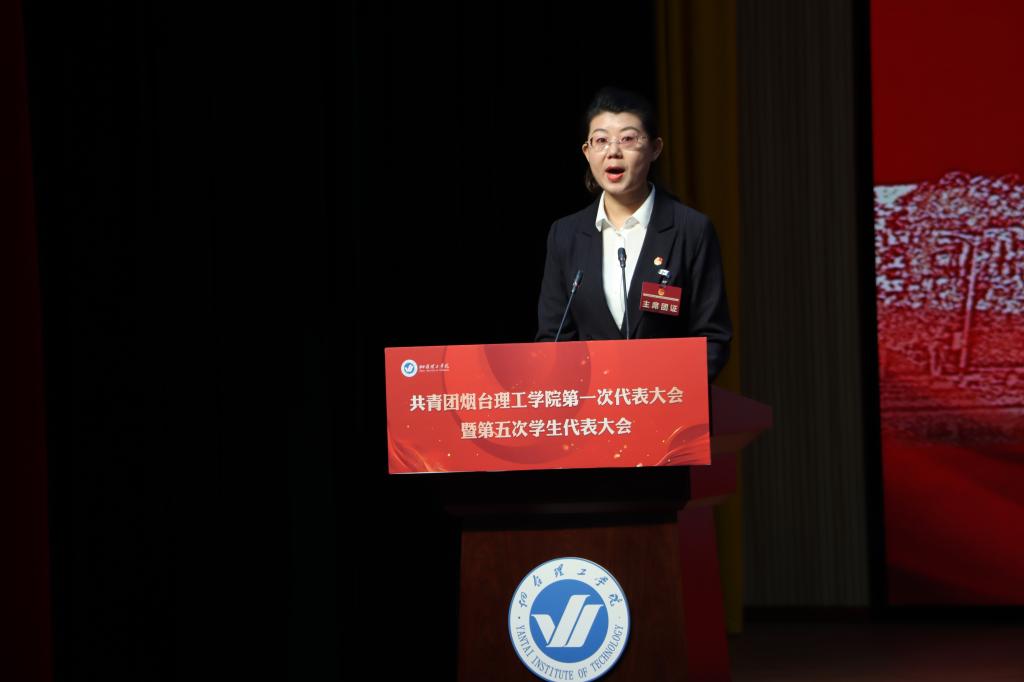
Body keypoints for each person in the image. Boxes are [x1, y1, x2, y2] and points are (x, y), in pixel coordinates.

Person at [535, 87, 732, 380]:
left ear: (655, 148)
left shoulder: (691, 230)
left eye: (628, 139)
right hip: (593, 404)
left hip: (665, 398)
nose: (613, 151)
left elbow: (712, 339)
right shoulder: (565, 235)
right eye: (601, 140)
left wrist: (668, 392)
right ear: (587, 152)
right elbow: (553, 339)